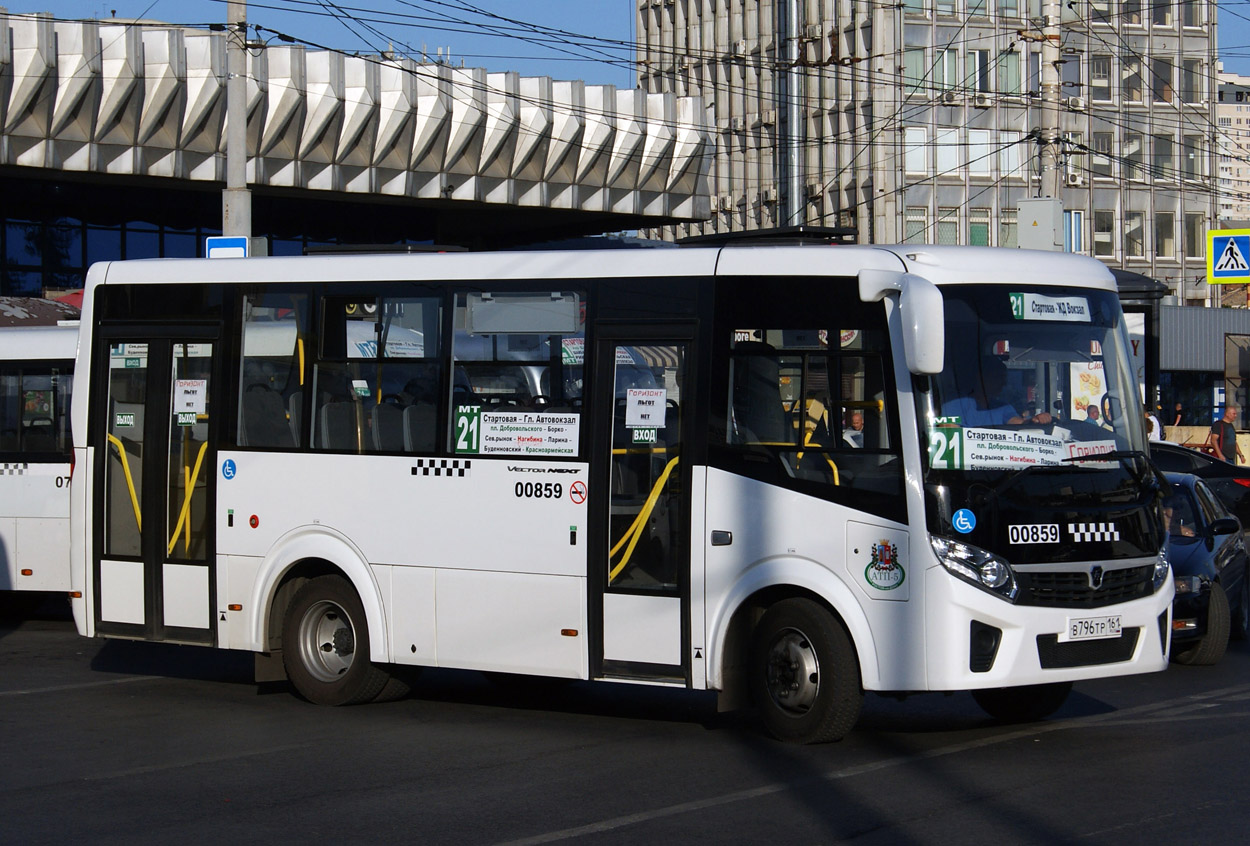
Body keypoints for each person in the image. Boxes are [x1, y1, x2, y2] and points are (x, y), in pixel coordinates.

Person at [940, 358, 1052, 427]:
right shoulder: (955, 404)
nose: (1003, 383)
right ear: (981, 378)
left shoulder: (1002, 407)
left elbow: (1018, 423)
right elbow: (950, 433)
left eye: (1004, 379)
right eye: (998, 378)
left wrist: (1035, 420)